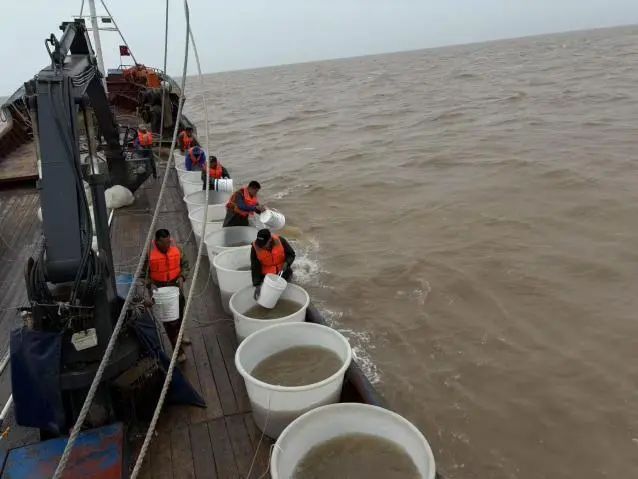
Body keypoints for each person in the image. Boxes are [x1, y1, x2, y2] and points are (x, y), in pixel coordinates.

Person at [144, 229, 191, 363]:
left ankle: (180, 334)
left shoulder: (177, 249)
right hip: (160, 290)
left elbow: (185, 264)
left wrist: (182, 276)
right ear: (157, 241)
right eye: (164, 243)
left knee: (180, 314)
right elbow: (142, 275)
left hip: (176, 286)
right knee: (169, 321)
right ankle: (178, 351)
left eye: (168, 242)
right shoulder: (148, 254)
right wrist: (149, 286)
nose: (167, 245)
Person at [251, 229, 295, 298]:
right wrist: (257, 285)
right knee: (268, 297)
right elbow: (255, 266)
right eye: (260, 244)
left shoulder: (281, 240)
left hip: (284, 274)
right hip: (267, 278)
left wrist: (287, 263)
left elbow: (291, 254)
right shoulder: (255, 247)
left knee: (286, 295)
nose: (261, 246)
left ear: (270, 240)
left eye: (264, 244)